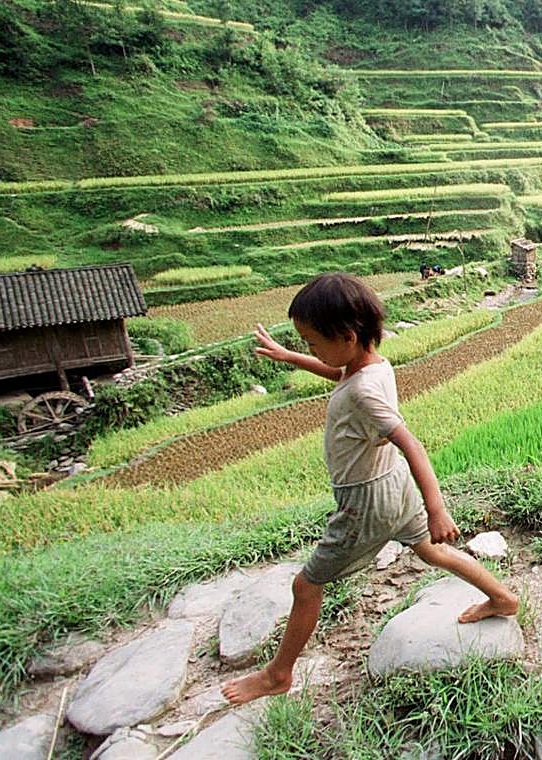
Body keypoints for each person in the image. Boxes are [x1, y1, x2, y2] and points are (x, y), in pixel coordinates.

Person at [222, 273, 517, 704]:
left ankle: (277, 674)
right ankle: (503, 597)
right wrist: (292, 358)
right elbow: (337, 372)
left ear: (346, 336)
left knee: (306, 587)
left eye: (311, 341)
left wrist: (438, 508)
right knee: (432, 552)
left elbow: (409, 441)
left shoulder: (363, 392)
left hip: (366, 502)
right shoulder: (373, 365)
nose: (310, 349)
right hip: (393, 485)